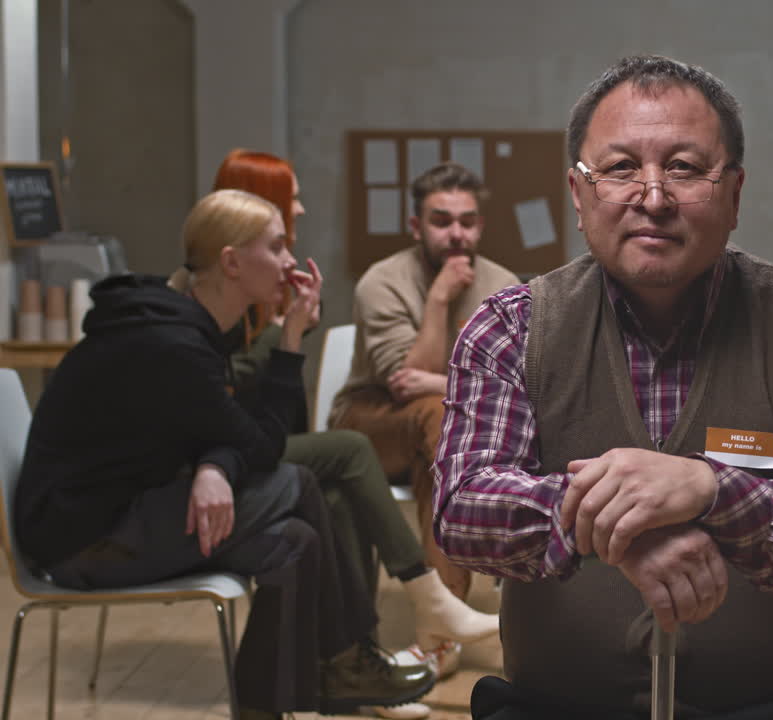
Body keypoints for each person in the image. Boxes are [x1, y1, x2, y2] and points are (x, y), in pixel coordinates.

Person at [433, 55, 773, 719]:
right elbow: (461, 511)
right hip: (553, 707)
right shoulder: (508, 329)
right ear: (578, 192)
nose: (652, 197)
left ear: (733, 193)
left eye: (684, 167)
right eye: (620, 168)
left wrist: (709, 489)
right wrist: (624, 525)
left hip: (764, 708)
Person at [14, 190, 434, 720]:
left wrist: (216, 463)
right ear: (232, 262)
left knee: (295, 542)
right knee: (300, 484)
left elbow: (233, 432)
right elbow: (262, 444)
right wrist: (284, 351)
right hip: (86, 539)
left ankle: (272, 702)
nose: (289, 261)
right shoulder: (170, 344)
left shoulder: (189, 327)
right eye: (277, 247)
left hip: (135, 508)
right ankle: (346, 660)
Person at [210, 149, 462, 718]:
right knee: (359, 446)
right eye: (289, 197)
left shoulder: (495, 281)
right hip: (238, 455)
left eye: (469, 220)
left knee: (342, 497)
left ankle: (356, 662)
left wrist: (285, 330)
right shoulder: (376, 280)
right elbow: (220, 395)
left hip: (262, 447)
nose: (300, 206)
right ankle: (426, 600)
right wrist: (285, 334)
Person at [331, 162, 516, 659]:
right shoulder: (382, 281)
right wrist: (438, 301)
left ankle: (441, 636)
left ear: (481, 225)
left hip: (449, 436)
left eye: (467, 220)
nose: (457, 233)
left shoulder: (504, 286)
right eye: (441, 220)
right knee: (442, 414)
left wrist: (441, 383)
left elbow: (518, 385)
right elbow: (406, 387)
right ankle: (449, 617)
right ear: (415, 226)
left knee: (447, 443)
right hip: (369, 424)